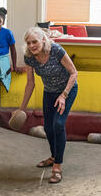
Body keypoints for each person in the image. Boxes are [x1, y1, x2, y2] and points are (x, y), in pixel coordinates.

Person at [15, 26, 78, 184]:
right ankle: (53, 156)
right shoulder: (29, 57)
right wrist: (21, 108)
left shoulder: (56, 50)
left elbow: (74, 73)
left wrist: (64, 95)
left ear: (43, 39)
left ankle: (57, 166)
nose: (31, 46)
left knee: (58, 124)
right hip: (49, 92)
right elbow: (30, 83)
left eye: (34, 42)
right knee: (48, 128)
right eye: (28, 43)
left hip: (66, 90)